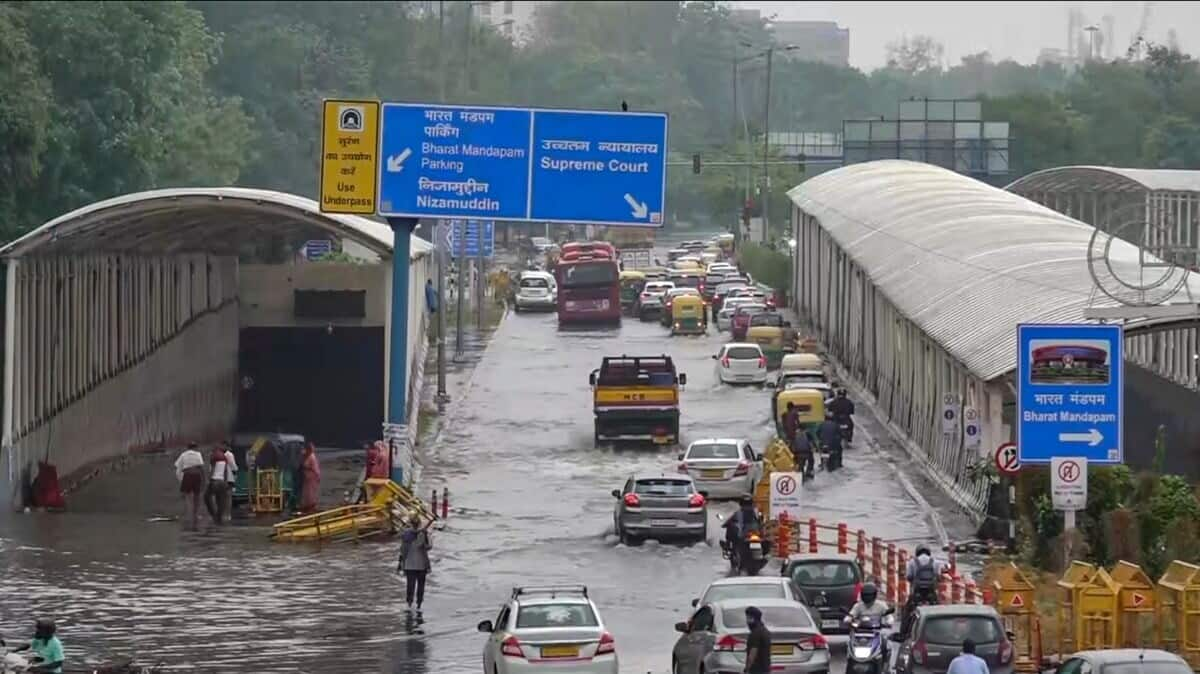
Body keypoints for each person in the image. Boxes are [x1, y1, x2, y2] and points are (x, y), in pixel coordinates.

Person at [901, 545, 950, 637]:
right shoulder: (935, 562)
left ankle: (903, 633)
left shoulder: (912, 562)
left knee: (906, 611)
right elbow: (938, 576)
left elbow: (909, 576)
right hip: (931, 593)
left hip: (917, 593)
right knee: (939, 611)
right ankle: (943, 633)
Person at [397, 514, 433, 609]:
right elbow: (429, 547)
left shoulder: (406, 534)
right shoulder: (423, 533)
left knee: (410, 586)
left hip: (410, 565)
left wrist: (400, 564)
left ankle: (410, 604)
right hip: (421, 565)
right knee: (420, 587)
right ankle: (418, 605)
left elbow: (402, 550)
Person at [174, 443, 205, 528]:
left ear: (187, 448)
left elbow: (177, 467)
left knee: (187, 496)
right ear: (195, 447)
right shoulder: (198, 454)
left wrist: (180, 479)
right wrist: (203, 481)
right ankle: (196, 514)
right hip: (196, 475)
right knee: (197, 496)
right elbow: (201, 467)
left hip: (187, 475)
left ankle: (189, 515)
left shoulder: (183, 455)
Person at [205, 445, 231, 524]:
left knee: (206, 497)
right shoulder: (224, 458)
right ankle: (219, 517)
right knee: (220, 500)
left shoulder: (214, 456)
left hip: (215, 481)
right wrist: (226, 482)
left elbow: (212, 469)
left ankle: (214, 515)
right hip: (222, 482)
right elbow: (226, 471)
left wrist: (208, 480)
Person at [743, 606, 772, 674]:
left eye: (748, 618)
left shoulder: (755, 633)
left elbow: (753, 653)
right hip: (766, 669)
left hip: (756, 670)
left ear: (754, 618)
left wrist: (747, 669)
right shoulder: (765, 631)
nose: (747, 621)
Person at [299, 443, 321, 513]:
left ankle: (311, 506)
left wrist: (317, 476)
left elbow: (315, 468)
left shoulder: (312, 457)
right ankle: (306, 505)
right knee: (306, 492)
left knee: (311, 492)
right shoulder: (306, 455)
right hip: (306, 477)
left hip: (312, 477)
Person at [222, 442, 238, 521]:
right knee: (228, 498)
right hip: (229, 478)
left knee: (222, 497)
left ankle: (222, 514)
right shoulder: (229, 454)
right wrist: (235, 471)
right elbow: (233, 466)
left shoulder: (218, 454)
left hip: (220, 478)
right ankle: (228, 515)